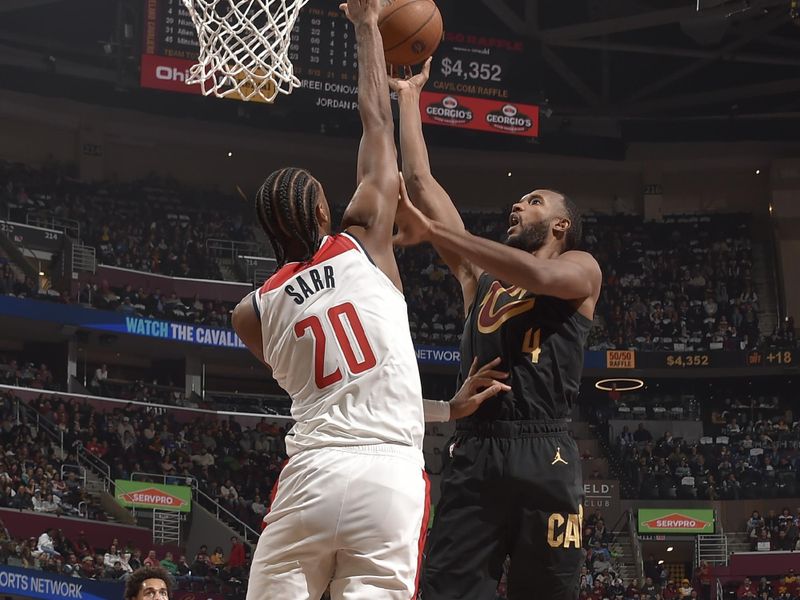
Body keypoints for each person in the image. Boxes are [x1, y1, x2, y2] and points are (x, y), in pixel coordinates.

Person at [230, 1, 509, 598]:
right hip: (389, 478)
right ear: (327, 213)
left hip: (310, 476)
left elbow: (334, 395)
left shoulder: (249, 313)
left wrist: (439, 409)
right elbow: (375, 125)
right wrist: (365, 28)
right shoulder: (361, 242)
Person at [390, 60, 601, 600]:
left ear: (560, 225)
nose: (518, 203)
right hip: (476, 450)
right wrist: (409, 97)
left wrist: (435, 231)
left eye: (534, 201)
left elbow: (536, 274)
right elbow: (419, 182)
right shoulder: (478, 277)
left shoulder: (580, 266)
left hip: (545, 452)